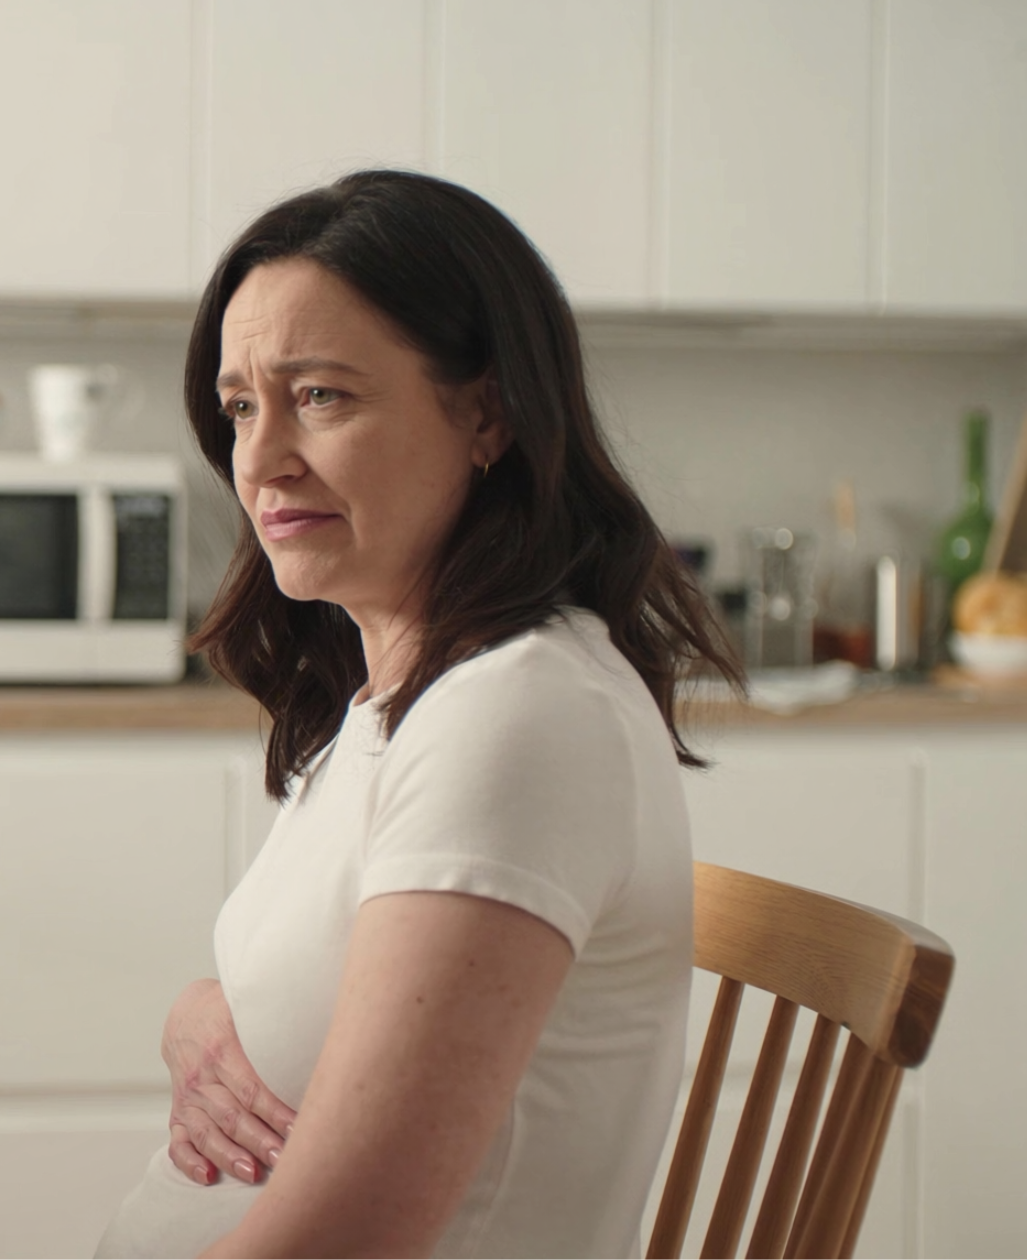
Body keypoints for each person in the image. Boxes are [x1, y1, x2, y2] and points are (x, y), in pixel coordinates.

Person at [95, 170, 740, 1258]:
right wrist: (202, 1012)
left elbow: (347, 1241)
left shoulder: (518, 714)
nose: (259, 461)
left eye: (319, 396)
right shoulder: (403, 696)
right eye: (241, 406)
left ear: (486, 413)